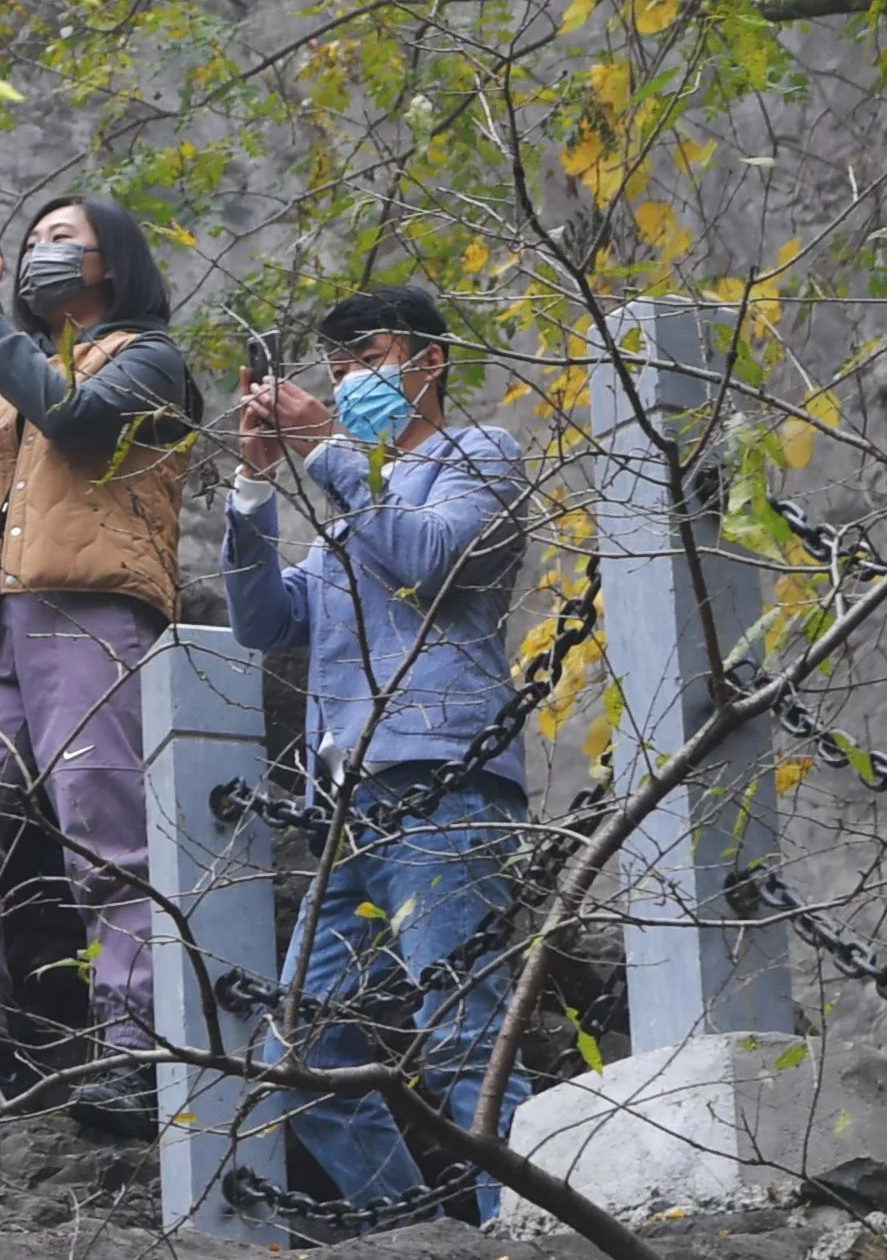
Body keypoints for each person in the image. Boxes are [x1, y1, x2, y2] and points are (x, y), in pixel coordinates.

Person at [0, 181, 206, 1135]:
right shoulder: (20, 367)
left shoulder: (150, 362)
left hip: (90, 612)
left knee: (108, 835)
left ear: (114, 262)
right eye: (39, 237)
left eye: (67, 237)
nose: (47, 250)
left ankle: (139, 1055)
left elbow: (78, 419)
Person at [224, 281, 536, 1223]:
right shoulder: (347, 507)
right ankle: (417, 1238)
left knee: (461, 1037)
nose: (351, 374)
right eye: (341, 363)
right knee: (302, 1049)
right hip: (346, 810)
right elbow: (264, 618)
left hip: (445, 784)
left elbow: (438, 557)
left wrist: (333, 450)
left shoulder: (479, 454)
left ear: (428, 361)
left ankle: (529, 1233)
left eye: (369, 354)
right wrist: (251, 482)